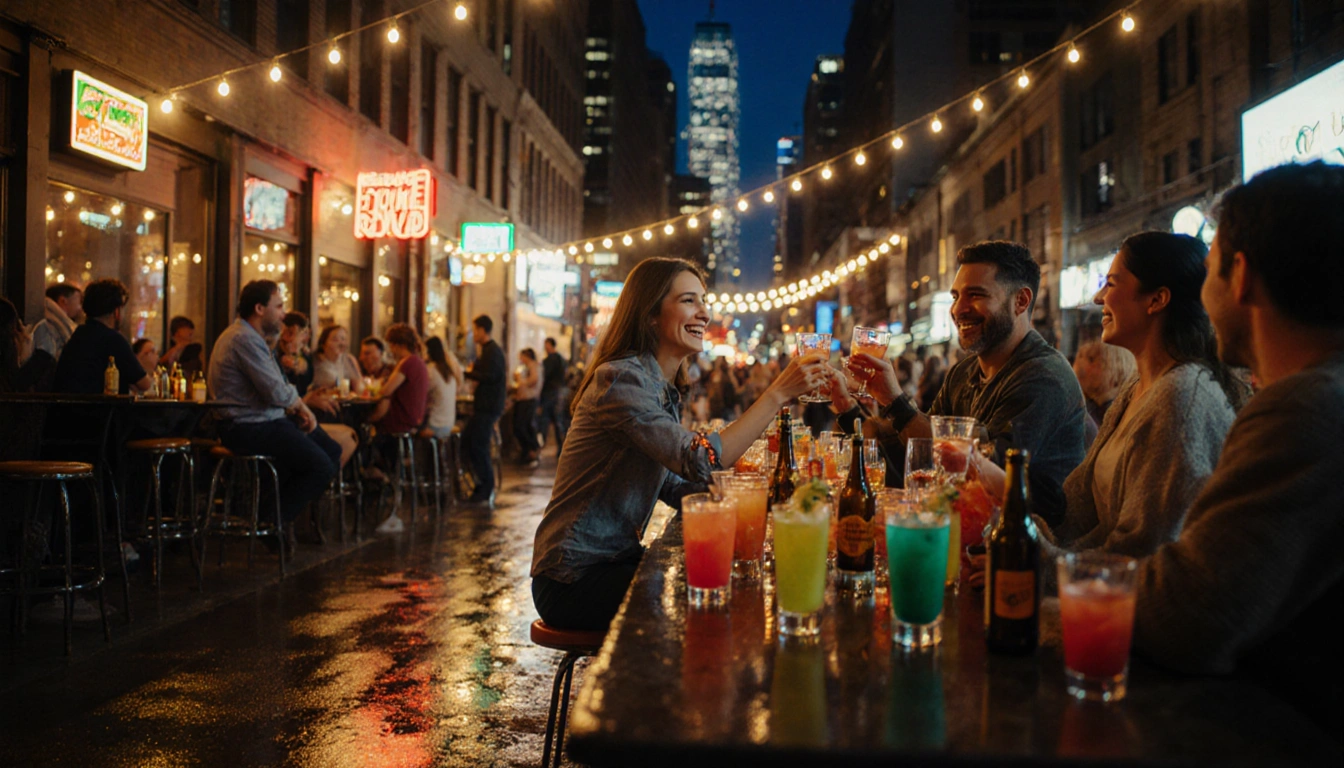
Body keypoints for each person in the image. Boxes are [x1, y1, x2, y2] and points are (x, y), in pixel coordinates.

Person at [1129, 162, 1344, 733]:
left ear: (1241, 275)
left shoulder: (1308, 409)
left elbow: (1187, 614)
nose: (1202, 291)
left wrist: (1050, 577)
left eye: (1211, 265)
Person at [531, 257, 828, 630]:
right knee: (708, 604)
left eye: (703, 301)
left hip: (615, 560)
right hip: (573, 577)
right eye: (689, 300)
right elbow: (699, 459)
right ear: (651, 314)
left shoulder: (661, 390)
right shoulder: (621, 380)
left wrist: (765, 491)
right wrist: (777, 393)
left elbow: (679, 486)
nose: (704, 313)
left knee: (725, 580)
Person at [1035, 232, 1242, 573]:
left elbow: (1139, 553)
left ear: (1157, 300)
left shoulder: (1180, 398)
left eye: (1111, 284)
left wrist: (1038, 564)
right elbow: (1076, 511)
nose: (1099, 297)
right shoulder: (1136, 387)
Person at [841, 241, 1086, 526]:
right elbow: (917, 453)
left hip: (1022, 554)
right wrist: (846, 406)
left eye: (976, 295)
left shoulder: (1044, 377)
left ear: (1021, 301)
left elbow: (981, 474)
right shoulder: (964, 372)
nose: (958, 309)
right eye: (956, 296)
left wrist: (895, 401)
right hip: (965, 535)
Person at [208, 280, 340, 555]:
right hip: (246, 426)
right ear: (259, 308)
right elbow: (275, 390)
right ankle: (270, 518)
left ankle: (272, 512)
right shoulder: (242, 338)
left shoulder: (254, 339)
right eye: (278, 306)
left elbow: (278, 388)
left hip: (267, 420)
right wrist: (302, 409)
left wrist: (297, 409)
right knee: (321, 466)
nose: (283, 314)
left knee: (332, 451)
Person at [367, 323, 430, 534]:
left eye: (390, 344)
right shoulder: (418, 362)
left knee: (365, 431)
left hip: (399, 422)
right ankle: (382, 478)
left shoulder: (408, 363)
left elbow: (386, 390)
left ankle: (379, 478)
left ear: (396, 344)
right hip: (412, 421)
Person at [53, 278, 153, 395]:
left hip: (67, 411)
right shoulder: (113, 340)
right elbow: (144, 384)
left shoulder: (78, 335)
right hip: (101, 412)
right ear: (117, 312)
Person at [461, 315, 506, 506]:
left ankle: (485, 488)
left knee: (478, 446)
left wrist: (469, 373)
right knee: (469, 443)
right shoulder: (487, 351)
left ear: (481, 330)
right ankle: (479, 485)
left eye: (475, 330)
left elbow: (491, 376)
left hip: (488, 407)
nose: (473, 334)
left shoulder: (492, 351)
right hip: (485, 407)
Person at [1072, 340, 1137, 439]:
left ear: (1116, 369)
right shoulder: (1086, 407)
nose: (1079, 363)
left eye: (1091, 359)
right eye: (1080, 356)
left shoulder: (1119, 415)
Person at [421, 336, 463, 439]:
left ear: (428, 351)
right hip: (449, 423)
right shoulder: (448, 370)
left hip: (435, 425)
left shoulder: (431, 370)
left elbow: (421, 393)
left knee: (410, 427)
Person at [31, 283, 82, 361]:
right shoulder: (47, 327)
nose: (80, 308)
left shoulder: (58, 325)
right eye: (79, 302)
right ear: (63, 301)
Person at [311, 325, 365, 394]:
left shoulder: (348, 359)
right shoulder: (314, 361)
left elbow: (360, 388)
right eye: (335, 340)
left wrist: (356, 383)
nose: (341, 344)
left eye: (343, 339)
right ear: (323, 344)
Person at [512, 348, 543, 466]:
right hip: (526, 400)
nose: (520, 359)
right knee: (524, 426)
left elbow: (533, 381)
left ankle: (532, 449)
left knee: (521, 426)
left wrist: (520, 381)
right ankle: (529, 451)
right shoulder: (530, 367)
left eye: (521, 357)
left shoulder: (532, 366)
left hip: (528, 400)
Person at [537, 337, 568, 452]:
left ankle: (539, 448)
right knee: (558, 422)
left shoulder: (549, 361)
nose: (545, 347)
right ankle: (561, 449)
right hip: (559, 393)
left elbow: (544, 377)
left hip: (549, 393)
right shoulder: (562, 360)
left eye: (546, 345)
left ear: (550, 345)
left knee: (543, 422)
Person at [274, 311, 314, 395]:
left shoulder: (306, 355)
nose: (286, 337)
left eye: (291, 333)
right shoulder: (276, 355)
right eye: (288, 332)